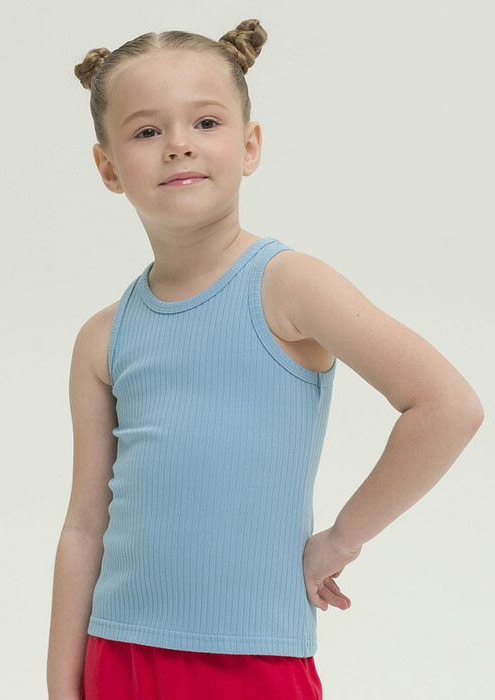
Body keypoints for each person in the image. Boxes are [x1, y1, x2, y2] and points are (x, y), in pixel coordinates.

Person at [46, 18, 484, 700]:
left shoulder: (288, 286)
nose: (179, 144)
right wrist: (61, 683)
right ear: (107, 167)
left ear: (249, 146)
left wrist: (342, 538)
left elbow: (447, 407)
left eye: (206, 122)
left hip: (253, 661)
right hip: (118, 655)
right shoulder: (103, 337)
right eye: (147, 130)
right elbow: (83, 526)